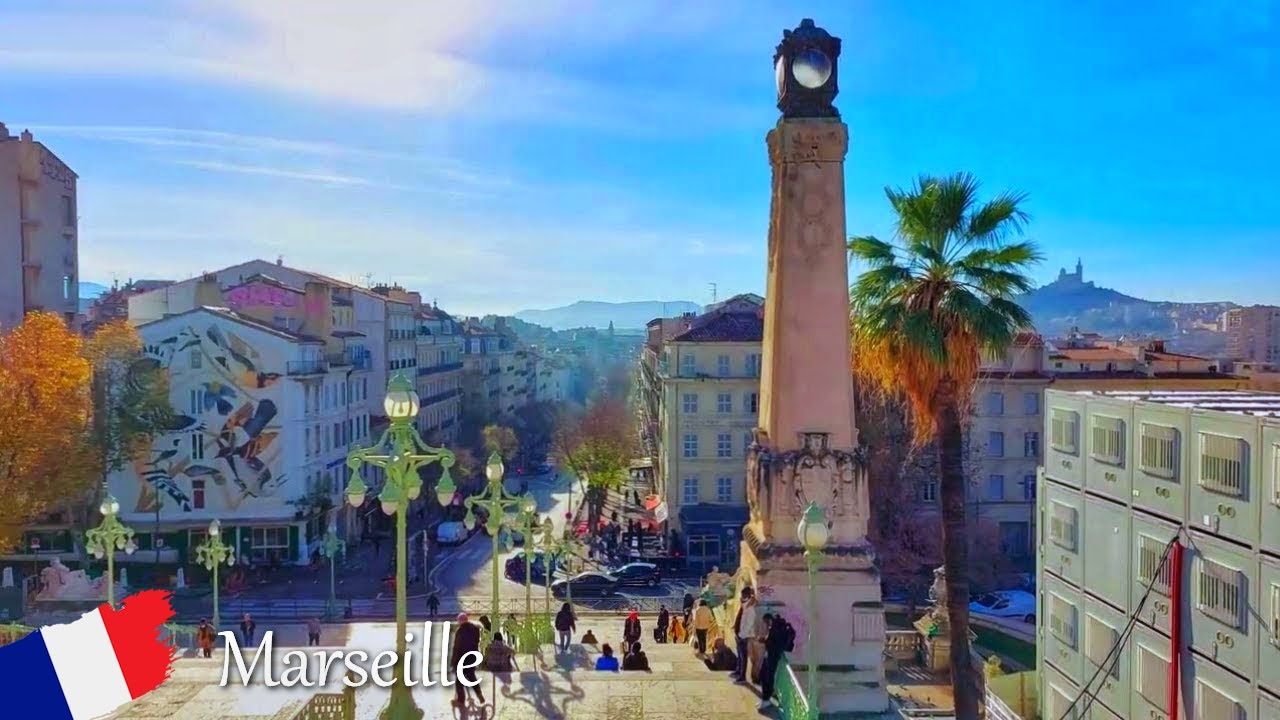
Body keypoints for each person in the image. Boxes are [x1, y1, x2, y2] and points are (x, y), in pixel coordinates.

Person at [451, 613, 486, 709]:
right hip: (472, 657)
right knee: (471, 677)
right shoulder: (475, 630)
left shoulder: (460, 631)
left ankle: (460, 700)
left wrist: (453, 662)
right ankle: (479, 695)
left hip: (462, 659)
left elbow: (457, 648)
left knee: (459, 680)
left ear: (460, 622)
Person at [759, 613, 793, 711]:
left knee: (767, 677)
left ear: (768, 619)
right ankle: (765, 698)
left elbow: (774, 643)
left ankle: (766, 699)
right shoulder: (774, 627)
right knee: (763, 675)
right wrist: (765, 640)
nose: (765, 625)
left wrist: (764, 641)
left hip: (772, 656)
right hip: (770, 655)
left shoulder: (776, 628)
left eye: (765, 622)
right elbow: (771, 641)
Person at [731, 586, 759, 684]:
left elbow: (749, 624)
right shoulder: (744, 606)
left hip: (744, 636)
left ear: (746, 596)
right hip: (739, 633)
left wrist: (741, 635)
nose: (741, 597)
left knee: (743, 656)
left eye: (742, 595)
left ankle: (742, 676)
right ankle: (738, 671)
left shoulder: (750, 608)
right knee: (740, 655)